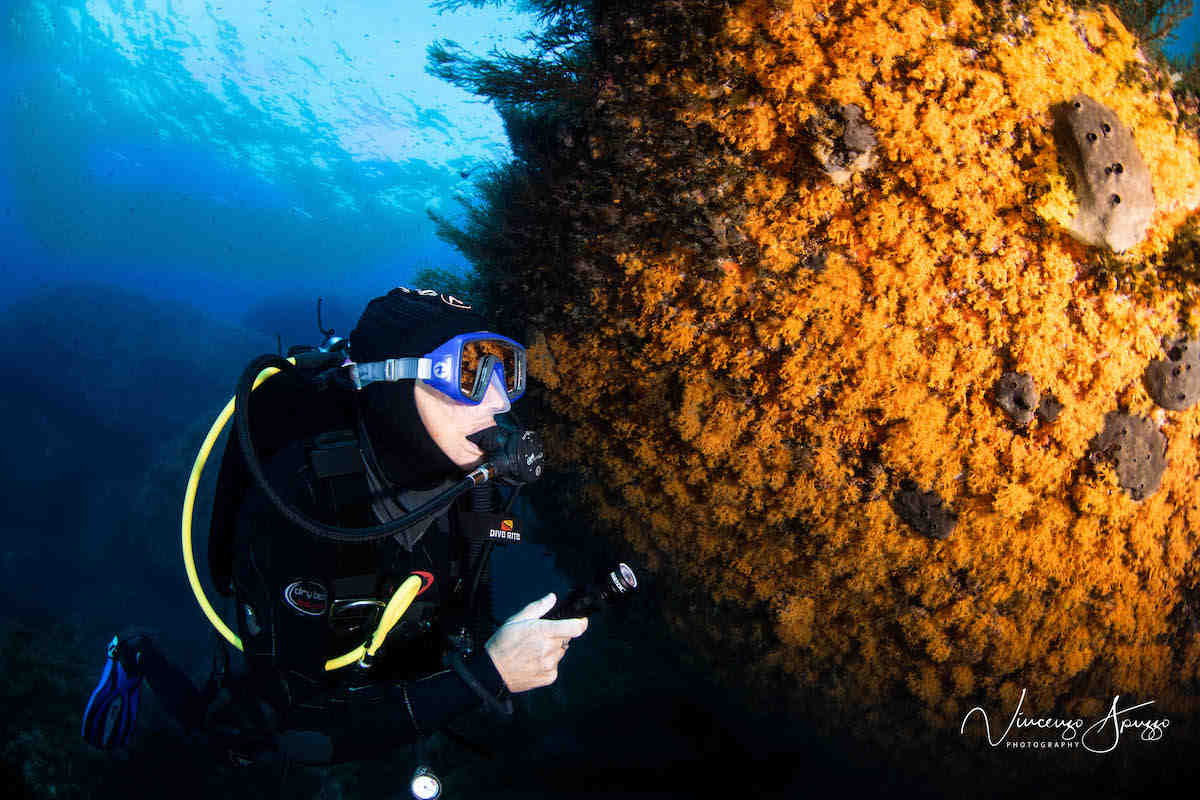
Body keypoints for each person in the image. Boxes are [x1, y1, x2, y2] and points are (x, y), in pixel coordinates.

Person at [83, 286, 587, 768]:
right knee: (233, 737)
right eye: (469, 371)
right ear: (388, 380)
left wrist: (491, 663)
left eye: (507, 372)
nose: (499, 402)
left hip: (386, 660)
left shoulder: (474, 484)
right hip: (301, 676)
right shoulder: (304, 502)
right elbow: (304, 733)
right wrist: (489, 675)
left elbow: (470, 622)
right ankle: (136, 654)